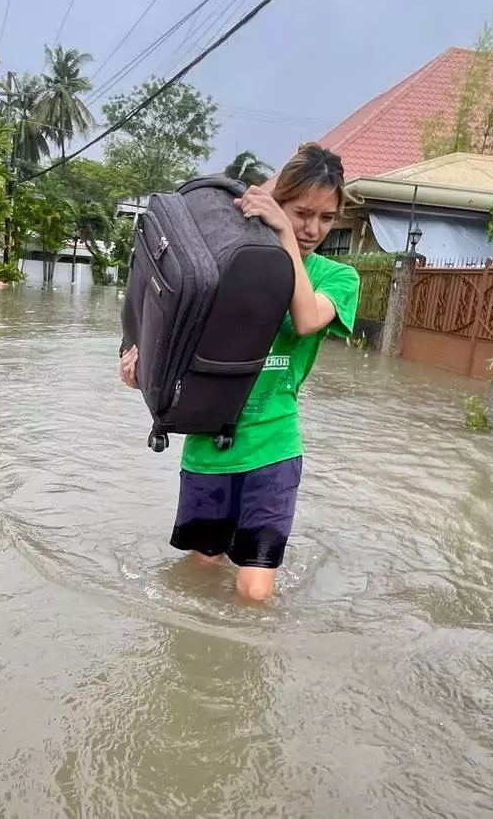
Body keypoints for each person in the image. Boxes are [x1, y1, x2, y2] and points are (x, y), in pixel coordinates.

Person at [119, 143, 361, 603]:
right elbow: (174, 331)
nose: (312, 229)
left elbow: (307, 319)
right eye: (300, 213)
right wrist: (137, 365)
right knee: (200, 574)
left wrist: (283, 237)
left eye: (326, 218)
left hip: (274, 445)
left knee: (253, 593)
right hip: (210, 445)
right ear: (279, 202)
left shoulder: (338, 278)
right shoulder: (230, 262)